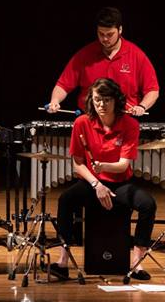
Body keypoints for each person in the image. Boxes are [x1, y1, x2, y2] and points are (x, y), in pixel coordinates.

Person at [50, 78, 156, 280]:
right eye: (97, 100)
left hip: (120, 183)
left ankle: (137, 263)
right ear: (92, 100)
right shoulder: (81, 123)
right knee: (66, 200)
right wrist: (96, 184)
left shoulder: (130, 125)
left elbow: (123, 165)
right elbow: (78, 163)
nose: (101, 105)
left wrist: (104, 166)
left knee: (147, 204)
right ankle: (63, 260)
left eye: (106, 100)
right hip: (92, 182)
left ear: (116, 101)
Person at [47, 7, 159, 117]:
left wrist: (142, 106)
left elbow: (152, 90)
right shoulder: (84, 55)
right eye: (101, 34)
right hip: (90, 120)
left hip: (124, 121)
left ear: (120, 30)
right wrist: (55, 100)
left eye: (109, 34)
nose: (105, 39)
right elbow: (63, 85)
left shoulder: (137, 56)